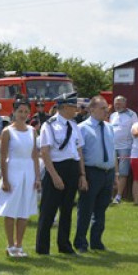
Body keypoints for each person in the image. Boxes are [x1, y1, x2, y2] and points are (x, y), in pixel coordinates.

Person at [36, 95, 87, 256]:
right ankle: (43, 248)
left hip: (72, 168)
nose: (76, 110)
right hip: (55, 168)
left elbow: (79, 151)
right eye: (73, 107)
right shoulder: (49, 125)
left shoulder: (74, 125)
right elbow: (45, 152)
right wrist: (54, 176)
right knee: (48, 210)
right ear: (64, 107)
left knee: (66, 210)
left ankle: (64, 245)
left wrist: (82, 174)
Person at [0, 98, 39, 257]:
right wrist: (4, 179)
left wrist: (37, 177)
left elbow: (34, 155)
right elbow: (3, 155)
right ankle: (10, 245)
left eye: (26, 111)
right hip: (13, 170)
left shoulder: (32, 131)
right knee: (11, 209)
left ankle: (19, 245)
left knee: (24, 210)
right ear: (14, 112)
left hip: (28, 171)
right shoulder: (7, 131)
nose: (23, 114)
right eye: (20, 111)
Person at [74, 96, 117, 252]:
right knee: (85, 209)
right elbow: (80, 155)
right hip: (91, 172)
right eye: (103, 108)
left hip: (108, 172)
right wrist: (82, 175)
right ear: (92, 110)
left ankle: (96, 241)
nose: (106, 111)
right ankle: (80, 242)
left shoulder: (109, 127)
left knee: (101, 209)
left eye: (107, 108)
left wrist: (115, 176)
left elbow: (113, 152)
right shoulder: (82, 128)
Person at [108, 96, 138, 204]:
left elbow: (137, 128)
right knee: (111, 171)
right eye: (116, 103)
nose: (117, 105)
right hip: (112, 147)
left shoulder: (132, 114)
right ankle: (110, 195)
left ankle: (118, 196)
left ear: (125, 104)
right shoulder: (112, 115)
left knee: (123, 172)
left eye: (120, 103)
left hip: (125, 147)